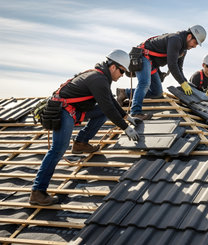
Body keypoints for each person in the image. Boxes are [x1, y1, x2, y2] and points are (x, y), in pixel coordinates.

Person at [29, 50, 140, 206]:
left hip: (74, 110)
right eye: (122, 71)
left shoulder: (102, 77)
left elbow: (111, 101)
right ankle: (37, 192)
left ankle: (80, 142)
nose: (122, 75)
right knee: (58, 150)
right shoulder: (98, 78)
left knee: (101, 113)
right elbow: (108, 107)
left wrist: (127, 117)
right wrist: (125, 128)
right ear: (113, 67)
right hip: (63, 111)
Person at [117, 25, 207, 120]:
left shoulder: (183, 50)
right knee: (144, 83)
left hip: (152, 64)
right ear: (189, 37)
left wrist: (185, 82)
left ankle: (124, 93)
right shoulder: (175, 40)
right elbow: (172, 65)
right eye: (195, 42)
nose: (195, 46)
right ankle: (135, 112)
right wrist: (182, 83)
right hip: (143, 57)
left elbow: (179, 68)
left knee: (157, 92)